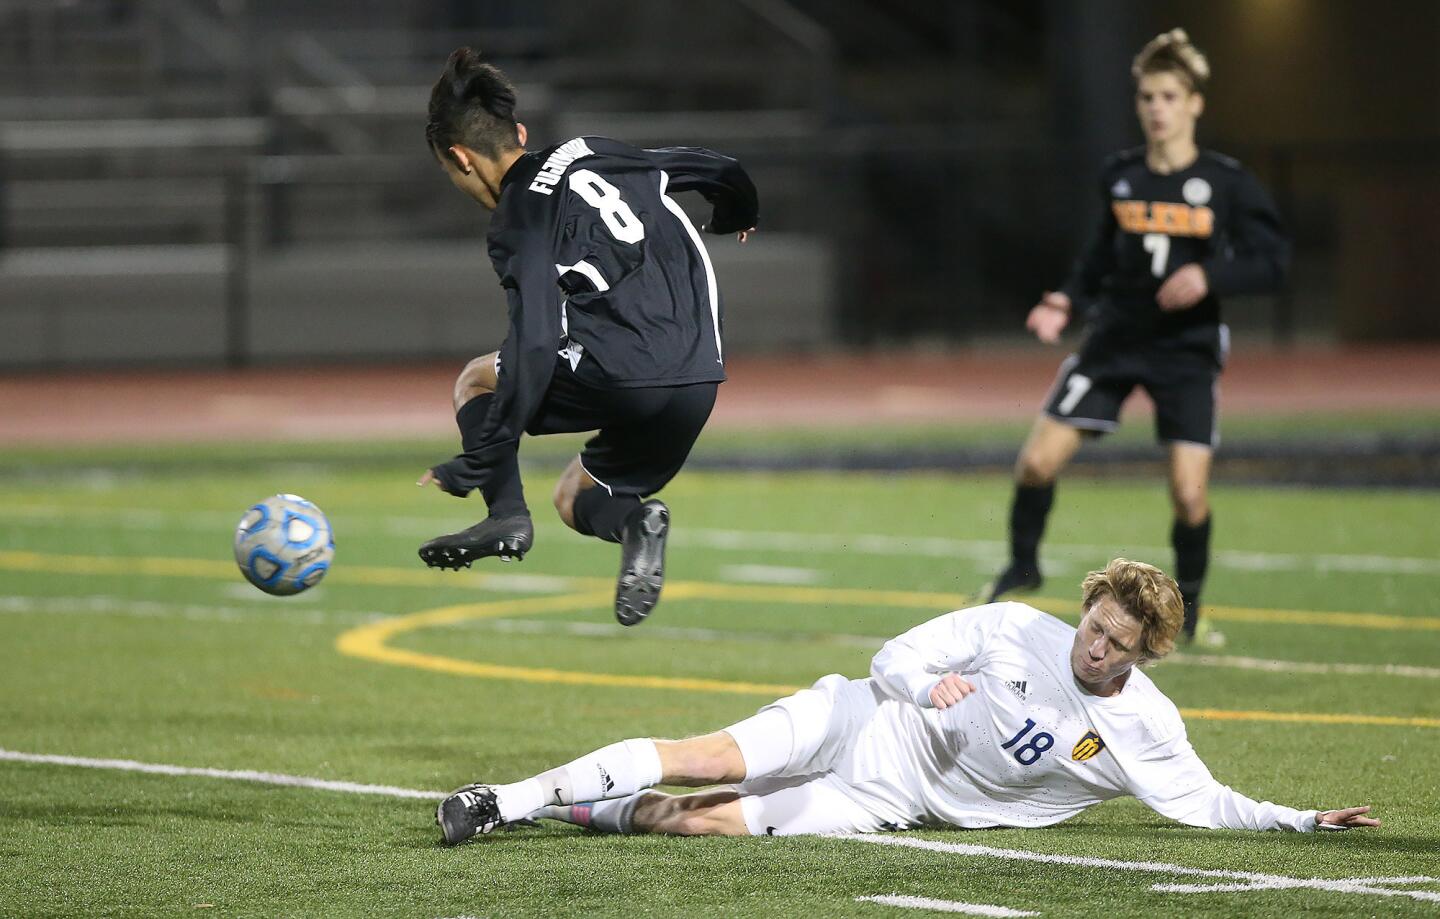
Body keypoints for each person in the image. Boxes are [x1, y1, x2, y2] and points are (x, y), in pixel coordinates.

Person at [435, 558, 1377, 843]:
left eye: (1117, 644)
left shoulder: (1145, 726)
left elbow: (1207, 801)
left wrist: (1301, 818)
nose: (1095, 646)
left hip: (889, 798)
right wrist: (928, 683)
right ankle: (500, 801)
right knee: (710, 753)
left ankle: (595, 807)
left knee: (700, 823)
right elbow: (894, 654)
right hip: (863, 713)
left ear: (1146, 653)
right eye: (1093, 624)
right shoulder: (1014, 624)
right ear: (1087, 604)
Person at [416, 48, 758, 626]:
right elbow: (721, 169)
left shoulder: (518, 220)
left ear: (460, 158)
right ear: (519, 132)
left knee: (476, 379)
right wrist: (736, 212)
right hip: (702, 374)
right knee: (578, 496)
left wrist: (479, 459)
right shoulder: (599, 151)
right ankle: (636, 523)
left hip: (624, 370)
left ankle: (505, 517)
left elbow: (536, 340)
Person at [987, 29, 1290, 647]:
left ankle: (1194, 606)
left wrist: (1209, 273)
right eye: (1148, 96)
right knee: (1037, 462)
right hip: (1115, 341)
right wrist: (1065, 298)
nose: (1157, 108)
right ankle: (1021, 567)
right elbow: (1098, 255)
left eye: (1170, 96)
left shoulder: (1226, 183)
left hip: (1185, 349)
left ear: (1194, 104)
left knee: (1187, 493)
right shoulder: (1121, 176)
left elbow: (1274, 260)